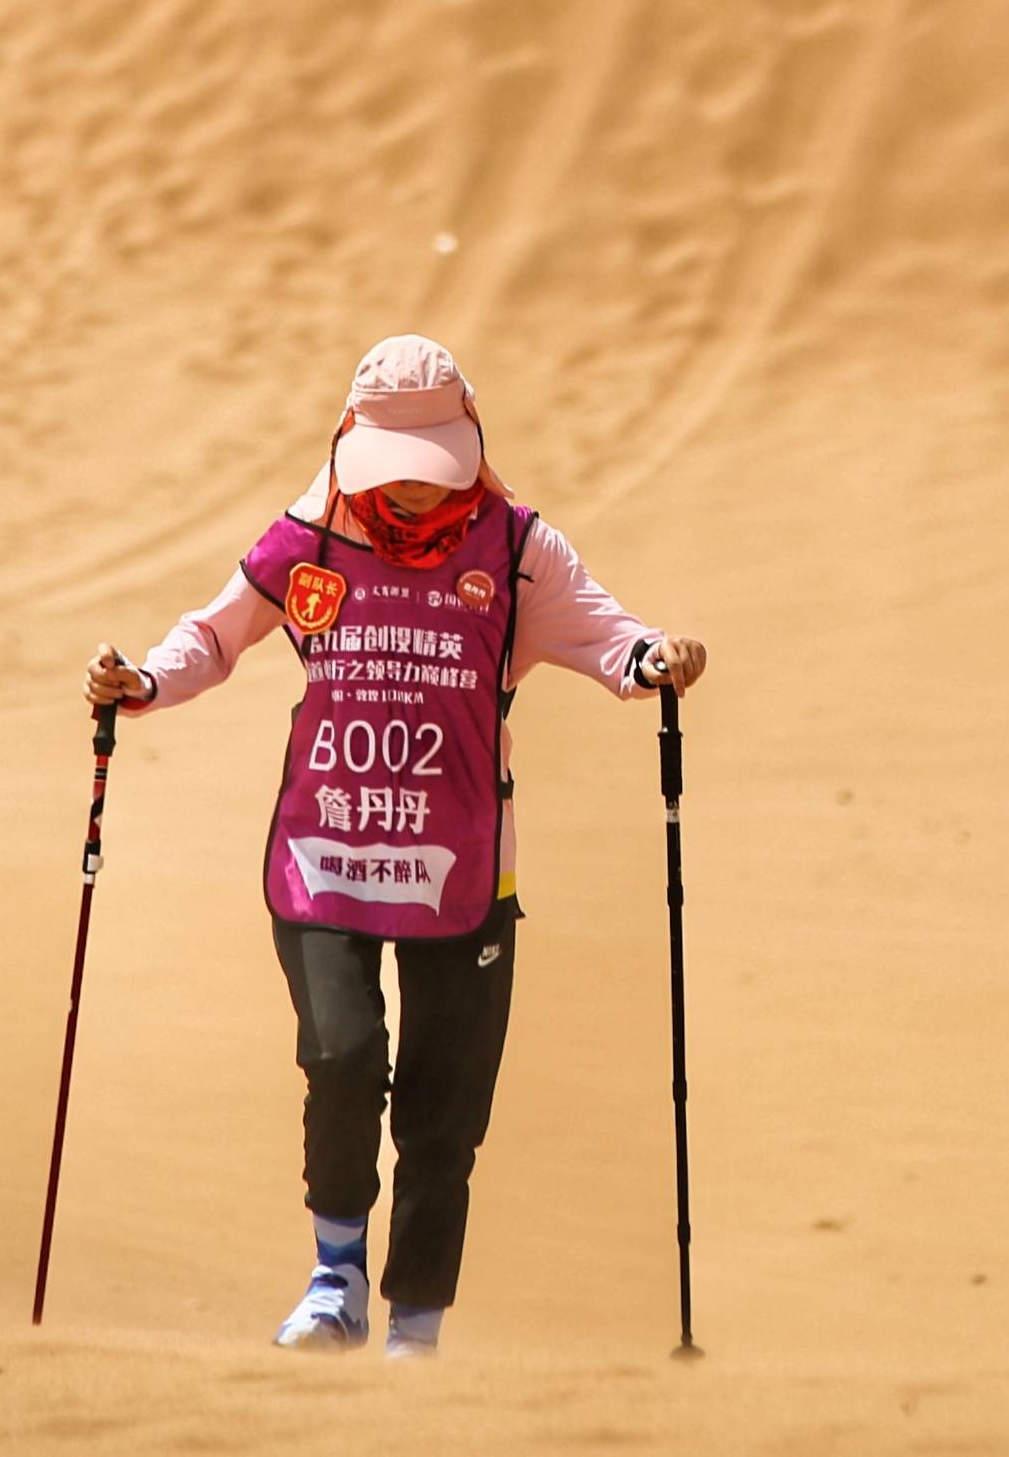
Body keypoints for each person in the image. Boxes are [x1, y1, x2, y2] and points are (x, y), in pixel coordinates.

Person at [85, 335, 711, 1360]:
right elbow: (213, 635)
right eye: (393, 471)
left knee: (440, 1114)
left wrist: (657, 660)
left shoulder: (515, 549)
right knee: (339, 1058)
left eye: (431, 471)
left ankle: (412, 1338)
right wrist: (144, 682)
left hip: (466, 870)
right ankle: (333, 1279)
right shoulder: (307, 541)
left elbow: (610, 639)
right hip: (322, 854)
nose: (412, 494)